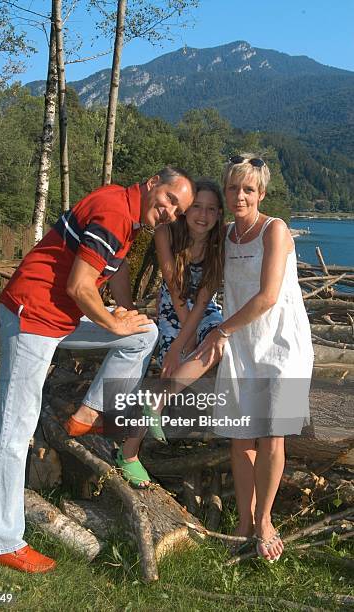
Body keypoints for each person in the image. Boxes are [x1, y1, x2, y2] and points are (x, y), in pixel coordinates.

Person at [0, 166, 196, 573]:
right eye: (169, 200)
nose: (170, 212)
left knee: (141, 335)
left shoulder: (127, 214)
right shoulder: (115, 211)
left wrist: (124, 314)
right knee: (13, 429)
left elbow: (119, 269)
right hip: (33, 316)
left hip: (59, 316)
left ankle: (90, 414)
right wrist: (112, 322)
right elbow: (80, 286)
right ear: (152, 184)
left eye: (178, 210)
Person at [196, 154, 314, 562]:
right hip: (242, 346)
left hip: (281, 345)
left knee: (270, 434)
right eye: (233, 188)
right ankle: (243, 523)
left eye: (248, 189)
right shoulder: (225, 234)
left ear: (261, 193)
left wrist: (220, 330)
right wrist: (181, 343)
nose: (239, 195)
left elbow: (267, 297)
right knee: (240, 436)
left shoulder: (274, 230)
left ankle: (264, 520)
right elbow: (208, 284)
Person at [115, 179, 224, 487]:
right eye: (197, 207)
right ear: (186, 210)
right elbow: (175, 290)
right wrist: (178, 344)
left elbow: (204, 299)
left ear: (219, 215)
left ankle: (156, 401)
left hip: (205, 310)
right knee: (173, 364)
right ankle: (130, 453)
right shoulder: (166, 233)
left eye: (211, 209)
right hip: (172, 308)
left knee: (219, 342)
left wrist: (187, 341)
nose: (203, 215)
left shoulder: (220, 242)